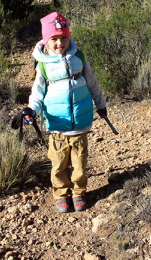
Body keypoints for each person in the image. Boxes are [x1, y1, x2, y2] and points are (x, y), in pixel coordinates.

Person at [22, 12, 107, 213]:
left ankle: (78, 193)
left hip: (80, 123)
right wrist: (31, 110)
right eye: (55, 39)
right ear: (46, 40)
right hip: (56, 125)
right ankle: (61, 194)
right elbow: (37, 93)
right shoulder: (42, 64)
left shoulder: (79, 57)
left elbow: (92, 83)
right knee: (59, 163)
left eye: (64, 38)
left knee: (80, 162)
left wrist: (101, 104)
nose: (60, 43)